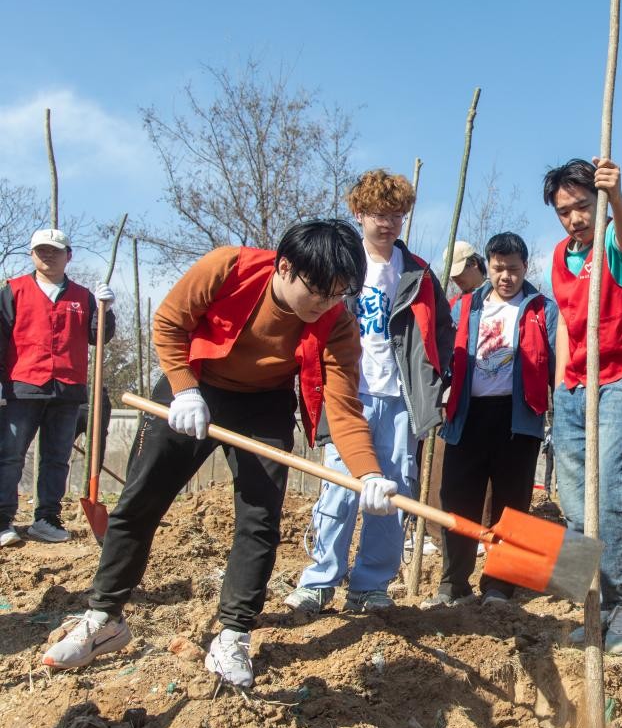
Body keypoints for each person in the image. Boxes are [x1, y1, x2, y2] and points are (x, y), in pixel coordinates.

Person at [42, 219, 398, 689]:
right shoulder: (228, 267)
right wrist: (186, 390)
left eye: (337, 294)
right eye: (317, 291)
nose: (325, 305)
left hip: (264, 406)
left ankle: (234, 633)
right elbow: (170, 321)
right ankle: (104, 616)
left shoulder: (337, 323)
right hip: (191, 383)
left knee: (259, 521)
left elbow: (343, 404)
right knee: (139, 500)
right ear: (285, 266)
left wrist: (368, 472)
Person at [283, 169, 453, 615]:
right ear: (358, 212)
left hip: (399, 397)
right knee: (340, 487)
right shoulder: (337, 263)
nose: (389, 223)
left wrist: (438, 377)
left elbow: (443, 330)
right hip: (348, 393)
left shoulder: (417, 272)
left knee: (392, 493)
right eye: (379, 213)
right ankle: (320, 580)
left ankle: (371, 585)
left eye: (397, 215)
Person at [545, 157, 622, 655]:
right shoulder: (558, 255)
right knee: (571, 500)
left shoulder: (618, 238)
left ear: (599, 202)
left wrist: (618, 197)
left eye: (583, 206)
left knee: (609, 492)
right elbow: (570, 326)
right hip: (574, 385)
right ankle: (590, 605)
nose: (575, 218)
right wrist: (558, 391)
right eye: (565, 210)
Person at [428, 231, 557, 607]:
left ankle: (501, 585)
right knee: (457, 497)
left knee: (512, 502)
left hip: (518, 419)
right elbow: (446, 356)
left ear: (525, 268)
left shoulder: (541, 309)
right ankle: (453, 583)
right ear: (488, 266)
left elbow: (554, 365)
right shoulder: (464, 307)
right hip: (468, 415)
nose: (506, 277)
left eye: (514, 270)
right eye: (499, 269)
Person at [0, 228, 115, 546]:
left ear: (69, 255)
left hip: (68, 389)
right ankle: (2, 520)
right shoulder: (13, 291)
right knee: (10, 454)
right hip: (22, 385)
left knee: (56, 457)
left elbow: (99, 336)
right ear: (31, 254)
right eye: (40, 250)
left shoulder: (83, 297)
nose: (47, 255)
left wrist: (105, 310)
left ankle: (46, 519)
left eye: (54, 250)